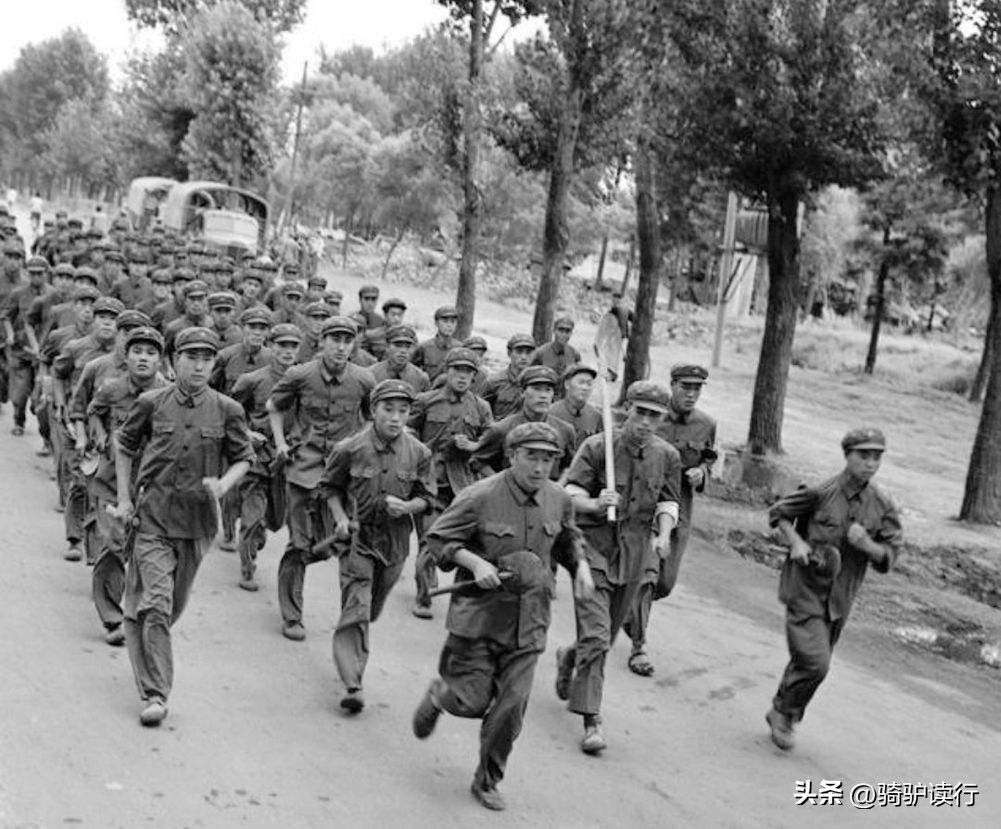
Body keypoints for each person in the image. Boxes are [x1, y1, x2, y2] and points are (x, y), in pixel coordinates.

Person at [411, 422, 594, 812]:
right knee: (470, 701)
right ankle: (441, 695)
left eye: (548, 460)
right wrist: (475, 563)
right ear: (512, 456)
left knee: (511, 707)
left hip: (530, 621)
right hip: (479, 619)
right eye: (531, 457)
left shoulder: (559, 499)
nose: (539, 467)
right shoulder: (480, 496)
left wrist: (580, 568)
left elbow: (567, 539)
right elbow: (437, 540)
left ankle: (488, 778)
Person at [112, 326, 253, 726]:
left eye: (207, 359)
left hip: (197, 524)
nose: (199, 366)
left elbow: (244, 458)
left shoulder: (228, 409)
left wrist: (224, 484)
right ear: (175, 362)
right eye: (191, 357)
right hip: (153, 518)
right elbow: (124, 446)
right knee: (156, 604)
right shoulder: (150, 403)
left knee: (170, 606)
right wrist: (124, 499)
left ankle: (143, 634)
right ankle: (156, 692)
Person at [554, 380, 682, 755]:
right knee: (597, 638)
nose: (645, 422)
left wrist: (663, 535)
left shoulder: (667, 456)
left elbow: (668, 503)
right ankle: (591, 719)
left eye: (654, 416)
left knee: (603, 638)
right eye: (640, 412)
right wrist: (595, 503)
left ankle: (570, 656)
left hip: (634, 556)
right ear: (628, 410)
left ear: (662, 419)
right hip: (592, 550)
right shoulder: (598, 447)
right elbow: (569, 494)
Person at [764, 428, 902, 752]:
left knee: (811, 662)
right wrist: (796, 542)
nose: (870, 463)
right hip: (804, 588)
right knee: (816, 662)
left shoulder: (883, 505)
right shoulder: (820, 492)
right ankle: (784, 712)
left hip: (840, 598)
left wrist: (867, 544)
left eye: (876, 457)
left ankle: (784, 712)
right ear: (847, 455)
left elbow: (889, 556)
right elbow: (779, 514)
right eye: (863, 455)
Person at [319, 379, 434, 713]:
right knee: (357, 606)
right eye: (388, 409)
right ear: (373, 410)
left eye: (403, 411)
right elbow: (329, 488)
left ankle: (356, 634)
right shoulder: (350, 448)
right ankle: (353, 683)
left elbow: (428, 498)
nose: (395, 418)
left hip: (395, 545)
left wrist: (408, 506)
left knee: (371, 608)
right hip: (358, 541)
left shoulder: (420, 453)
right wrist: (340, 518)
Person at [267, 316, 375, 641]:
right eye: (335, 339)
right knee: (299, 544)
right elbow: (274, 406)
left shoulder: (364, 380)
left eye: (347, 340)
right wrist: (281, 443)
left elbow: (371, 418)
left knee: (340, 543)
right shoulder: (300, 375)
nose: (341, 347)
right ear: (322, 341)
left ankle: (351, 617)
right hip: (303, 468)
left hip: (342, 476)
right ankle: (292, 615)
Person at [624, 363, 718, 676]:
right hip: (648, 507)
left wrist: (701, 473)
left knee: (664, 583)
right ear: (673, 385)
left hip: (682, 509)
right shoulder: (652, 418)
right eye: (685, 387)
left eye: (697, 388)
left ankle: (628, 612)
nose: (691, 394)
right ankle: (639, 647)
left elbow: (708, 461)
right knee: (648, 576)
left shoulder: (707, 424)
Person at [86, 326, 168, 645]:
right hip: (110, 480)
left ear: (160, 360)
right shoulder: (111, 388)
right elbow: (94, 412)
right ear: (127, 355)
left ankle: (141, 610)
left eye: (150, 353)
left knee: (144, 552)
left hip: (151, 484)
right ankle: (111, 617)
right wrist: (99, 436)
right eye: (137, 351)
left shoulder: (169, 394)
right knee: (113, 544)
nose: (143, 358)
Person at [408, 347, 493, 619]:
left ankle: (452, 590)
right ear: (448, 371)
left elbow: (490, 443)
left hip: (462, 487)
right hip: (429, 483)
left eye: (469, 371)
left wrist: (474, 445)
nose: (463, 376)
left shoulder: (481, 407)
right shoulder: (426, 401)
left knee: (460, 543)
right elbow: (408, 431)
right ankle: (423, 597)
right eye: (458, 370)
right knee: (428, 540)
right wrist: (421, 451)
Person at [229, 323, 302, 591]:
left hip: (288, 460)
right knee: (252, 516)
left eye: (293, 346)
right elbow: (230, 414)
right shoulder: (252, 380)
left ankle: (257, 533)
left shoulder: (305, 382)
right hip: (257, 457)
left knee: (276, 519)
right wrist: (247, 433)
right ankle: (247, 568)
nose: (287, 351)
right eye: (282, 345)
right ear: (271, 347)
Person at [53, 296, 124, 562]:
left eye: (113, 319)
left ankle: (96, 549)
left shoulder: (124, 358)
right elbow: (58, 373)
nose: (107, 323)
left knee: (101, 490)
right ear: (93, 320)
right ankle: (74, 539)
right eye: (102, 317)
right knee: (80, 483)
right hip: (77, 425)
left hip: (108, 433)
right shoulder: (76, 348)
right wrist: (59, 402)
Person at [470, 365, 576, 481]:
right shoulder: (502, 429)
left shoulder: (565, 430)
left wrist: (558, 486)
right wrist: (502, 482)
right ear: (522, 392)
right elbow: (477, 461)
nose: (543, 395)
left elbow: (570, 465)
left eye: (548, 390)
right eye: (537, 389)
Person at [481, 334, 535, 419]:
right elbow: (481, 412)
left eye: (528, 352)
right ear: (509, 353)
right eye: (519, 352)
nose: (524, 357)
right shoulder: (494, 382)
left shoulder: (538, 382)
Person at [549, 363, 602, 447]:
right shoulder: (551, 412)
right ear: (567, 384)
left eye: (589, 384)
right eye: (581, 383)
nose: (585, 388)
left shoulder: (596, 416)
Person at [371, 324, 429, 392]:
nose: (403, 351)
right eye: (398, 345)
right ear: (387, 346)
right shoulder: (372, 374)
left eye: (408, 347)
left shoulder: (421, 378)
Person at [411, 306, 460, 382]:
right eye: (445, 321)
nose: (449, 325)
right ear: (436, 323)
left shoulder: (460, 348)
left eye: (452, 322)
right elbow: (412, 371)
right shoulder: (424, 347)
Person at [531, 315, 581, 388]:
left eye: (567, 331)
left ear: (571, 333)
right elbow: (530, 375)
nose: (563, 334)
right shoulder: (541, 353)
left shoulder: (574, 354)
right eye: (561, 330)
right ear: (554, 330)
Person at [356, 284, 387, 359]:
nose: (370, 303)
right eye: (366, 299)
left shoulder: (381, 321)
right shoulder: (352, 319)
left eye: (373, 299)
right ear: (360, 300)